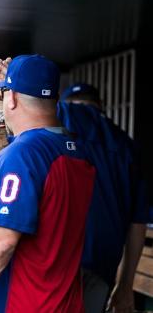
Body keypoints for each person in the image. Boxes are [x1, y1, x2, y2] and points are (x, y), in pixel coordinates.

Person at [0, 54, 96, 313]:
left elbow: (1, 243)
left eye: (5, 95)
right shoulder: (74, 150)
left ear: (12, 98)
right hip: (64, 302)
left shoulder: (25, 153)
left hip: (24, 304)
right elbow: (16, 162)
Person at [58, 83, 148, 313]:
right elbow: (138, 223)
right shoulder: (126, 145)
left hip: (57, 260)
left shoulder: (60, 120)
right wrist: (125, 285)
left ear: (67, 103)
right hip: (102, 265)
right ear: (101, 106)